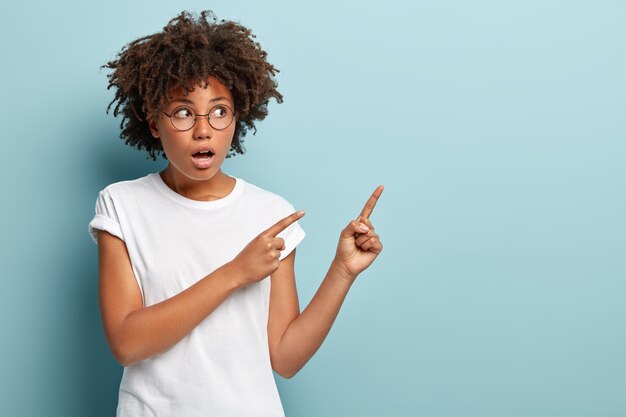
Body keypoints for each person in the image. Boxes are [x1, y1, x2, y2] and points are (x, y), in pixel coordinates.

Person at [88, 10, 383, 417]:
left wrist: (342, 271)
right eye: (184, 112)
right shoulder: (121, 205)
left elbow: (285, 358)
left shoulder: (270, 213)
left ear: (237, 116)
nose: (203, 130)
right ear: (154, 121)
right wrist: (235, 273)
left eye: (219, 111)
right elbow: (126, 343)